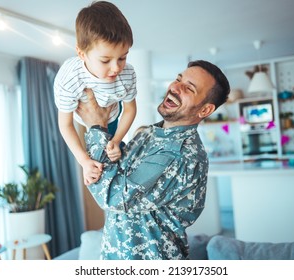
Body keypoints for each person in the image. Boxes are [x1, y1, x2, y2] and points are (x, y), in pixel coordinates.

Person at [77, 60, 230, 260]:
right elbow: (121, 170)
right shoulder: (149, 133)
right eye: (178, 79)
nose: (175, 87)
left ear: (204, 110)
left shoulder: (182, 154)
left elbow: (114, 196)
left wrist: (96, 127)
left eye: (189, 88)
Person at [53, 1, 137, 185]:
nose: (116, 68)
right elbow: (65, 125)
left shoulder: (127, 74)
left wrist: (117, 139)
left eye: (123, 57)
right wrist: (83, 160)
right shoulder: (69, 78)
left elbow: (130, 109)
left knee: (116, 153)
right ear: (81, 54)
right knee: (95, 164)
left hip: (115, 113)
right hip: (82, 116)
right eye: (105, 60)